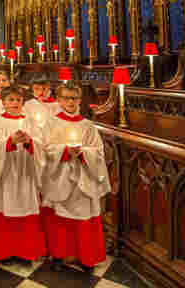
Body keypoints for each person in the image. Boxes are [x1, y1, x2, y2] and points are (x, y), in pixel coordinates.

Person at [41, 83, 111, 272]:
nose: (70, 102)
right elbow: (45, 149)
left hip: (83, 179)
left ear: (80, 100)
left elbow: (98, 152)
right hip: (60, 176)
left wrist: (82, 153)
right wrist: (64, 151)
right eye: (66, 98)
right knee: (60, 219)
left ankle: (85, 257)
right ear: (59, 100)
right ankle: (59, 255)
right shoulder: (51, 123)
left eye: (74, 98)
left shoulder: (88, 125)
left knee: (83, 220)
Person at [0, 85, 47, 265]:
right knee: (4, 211)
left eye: (18, 100)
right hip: (5, 173)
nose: (15, 103)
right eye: (10, 100)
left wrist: (30, 142)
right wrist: (9, 141)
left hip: (26, 172)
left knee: (26, 210)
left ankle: (25, 252)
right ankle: (3, 252)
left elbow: (41, 144)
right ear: (3, 102)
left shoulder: (30, 121)